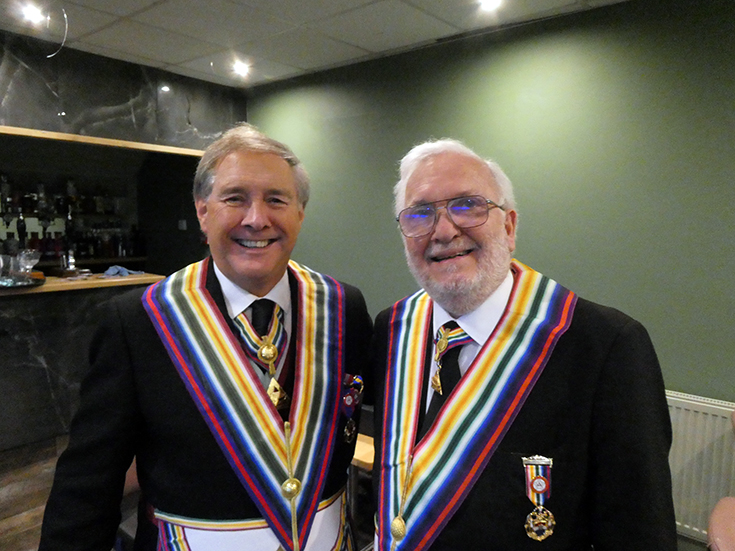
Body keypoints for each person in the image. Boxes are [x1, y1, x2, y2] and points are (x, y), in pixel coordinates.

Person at [39, 123, 372, 551]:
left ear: (300, 213)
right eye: (235, 198)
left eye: (276, 199)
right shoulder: (138, 321)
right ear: (202, 211)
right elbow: (87, 486)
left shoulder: (344, 307)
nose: (257, 219)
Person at [370, 138, 677, 550]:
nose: (443, 231)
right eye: (420, 213)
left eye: (468, 205)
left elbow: (639, 533)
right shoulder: (392, 328)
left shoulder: (604, 346)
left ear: (510, 227)